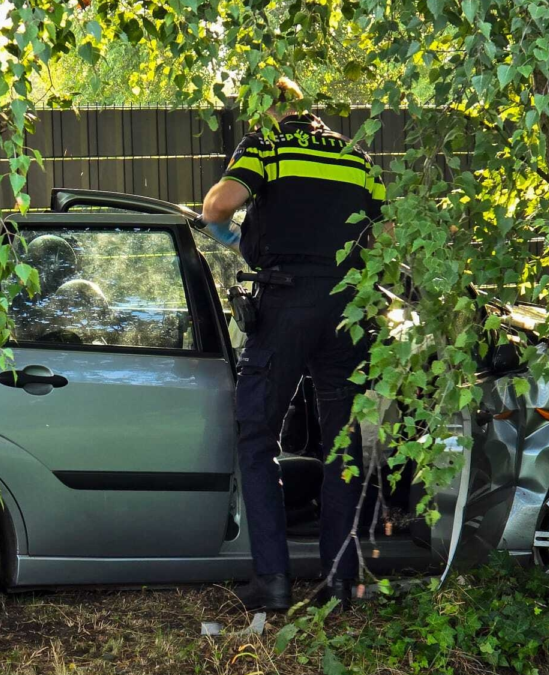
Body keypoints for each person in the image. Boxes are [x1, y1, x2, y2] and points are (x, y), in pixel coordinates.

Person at [196, 77, 387, 612]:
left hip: (283, 305)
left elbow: (216, 207)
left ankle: (273, 582)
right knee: (342, 446)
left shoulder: (267, 146)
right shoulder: (358, 156)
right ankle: (342, 583)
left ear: (266, 110)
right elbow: (386, 241)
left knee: (258, 438)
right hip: (347, 311)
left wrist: (235, 241)